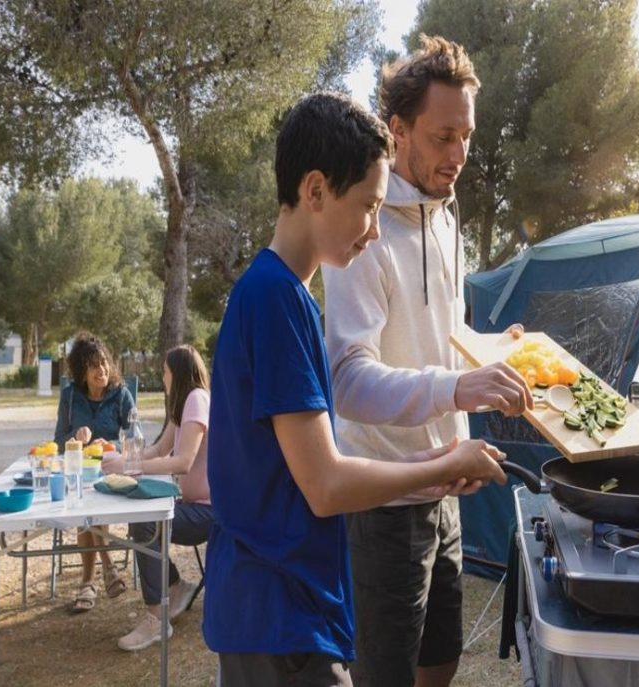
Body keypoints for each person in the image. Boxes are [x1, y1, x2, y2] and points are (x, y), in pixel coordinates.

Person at [201, 91, 509, 687]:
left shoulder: (284, 296)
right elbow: (326, 487)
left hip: (286, 610)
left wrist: (436, 462)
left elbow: (316, 467)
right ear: (315, 190)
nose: (372, 231)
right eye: (368, 206)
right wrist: (431, 470)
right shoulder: (274, 300)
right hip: (278, 616)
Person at [321, 35, 532, 687]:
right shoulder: (364, 226)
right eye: (443, 137)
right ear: (397, 130)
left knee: (440, 660)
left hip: (449, 483)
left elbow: (443, 330)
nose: (459, 154)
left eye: (466, 136)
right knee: (384, 674)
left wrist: (491, 351)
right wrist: (460, 386)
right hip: (385, 497)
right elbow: (348, 379)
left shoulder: (447, 215)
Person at [102, 344, 214, 651]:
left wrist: (131, 466)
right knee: (143, 517)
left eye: (164, 371)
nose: (162, 377)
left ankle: (156, 619)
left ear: (176, 373)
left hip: (212, 512)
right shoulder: (183, 405)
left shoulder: (196, 400)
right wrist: (119, 456)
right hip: (192, 504)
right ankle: (176, 586)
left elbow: (183, 462)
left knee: (147, 523)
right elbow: (158, 450)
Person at [54, 332, 135, 613]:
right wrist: (75, 437)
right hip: (79, 470)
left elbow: (136, 436)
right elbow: (57, 441)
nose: (102, 370)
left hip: (110, 470)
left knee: (86, 507)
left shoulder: (121, 394)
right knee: (83, 501)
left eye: (104, 363)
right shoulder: (70, 396)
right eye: (93, 366)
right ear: (81, 372)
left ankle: (88, 582)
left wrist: (111, 444)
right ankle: (108, 567)